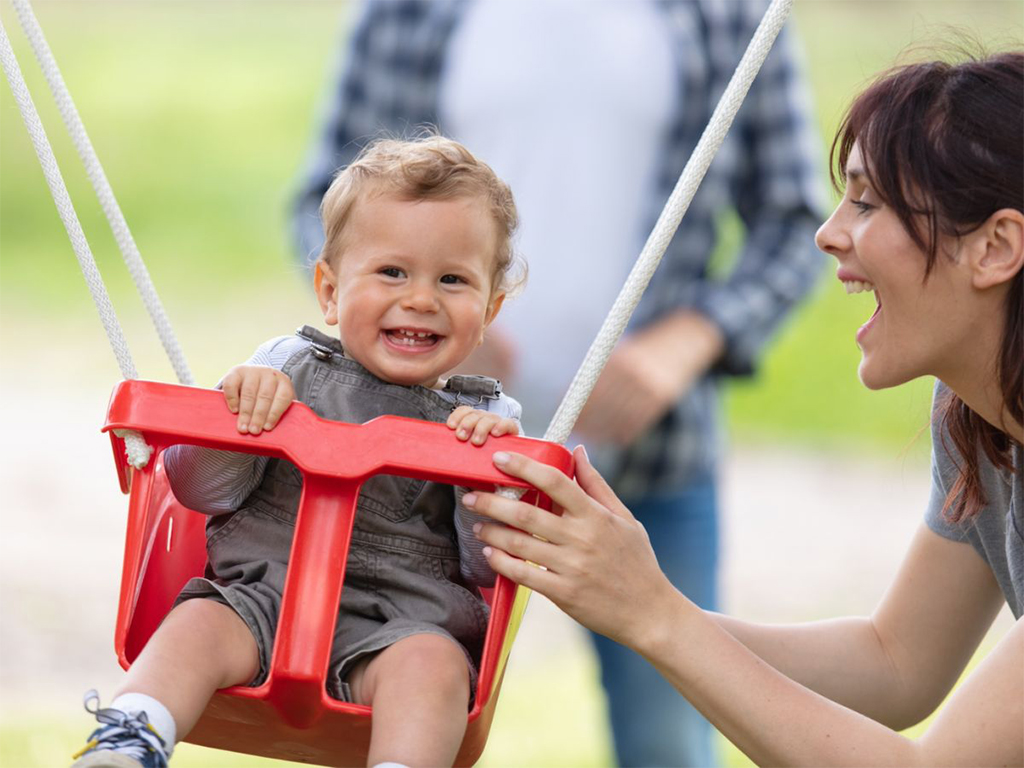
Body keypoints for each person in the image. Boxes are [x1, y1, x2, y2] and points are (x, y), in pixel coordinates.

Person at [292, 3, 824, 764]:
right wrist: (427, 331)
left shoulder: (727, 14)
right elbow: (327, 208)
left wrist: (685, 344)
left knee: (666, 739)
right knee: (386, 706)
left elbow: (795, 216)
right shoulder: (406, 11)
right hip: (420, 469)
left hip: (647, 458)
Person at [461, 49, 1024, 766]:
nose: (828, 233)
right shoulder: (979, 419)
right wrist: (625, 595)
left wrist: (654, 614)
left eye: (869, 202)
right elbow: (895, 663)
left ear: (996, 246)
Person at [71, 136, 527, 768]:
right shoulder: (287, 366)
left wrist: (490, 481)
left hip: (403, 623)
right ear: (331, 291)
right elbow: (200, 491)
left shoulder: (488, 421)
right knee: (195, 627)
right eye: (392, 272)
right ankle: (129, 738)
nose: (421, 298)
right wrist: (242, 411)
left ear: (490, 309)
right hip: (259, 595)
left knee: (435, 668)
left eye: (452, 280)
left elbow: (486, 566)